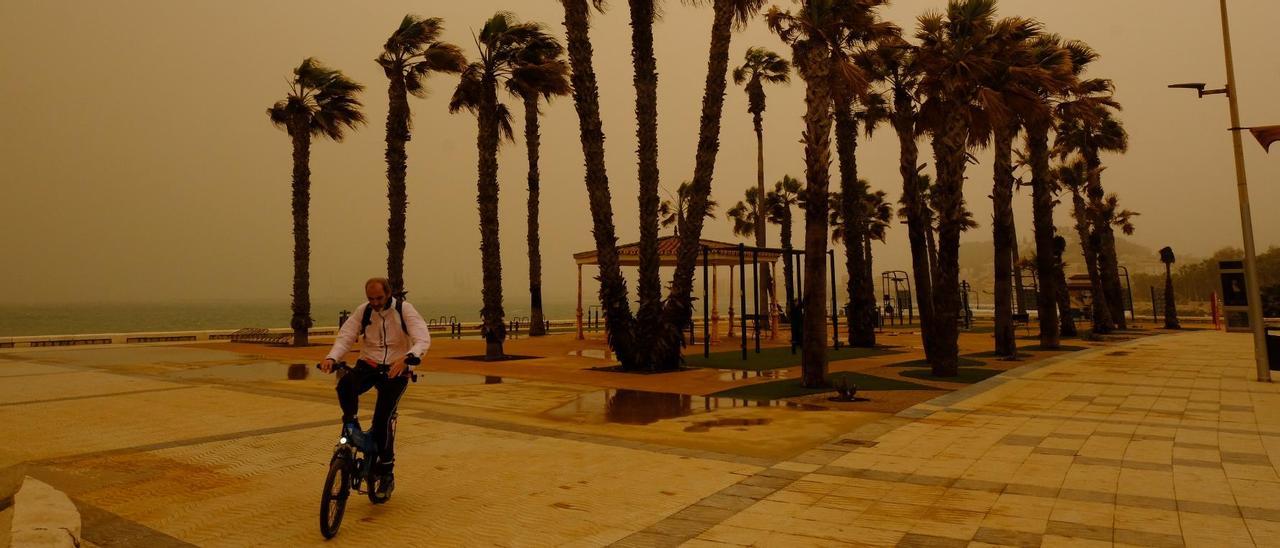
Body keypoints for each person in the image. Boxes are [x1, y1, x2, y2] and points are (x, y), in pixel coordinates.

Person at [321, 277, 430, 497]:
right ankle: (351, 424)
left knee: (382, 420)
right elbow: (346, 336)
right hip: (368, 364)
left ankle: (386, 472)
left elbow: (422, 338)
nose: (375, 303)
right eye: (371, 298)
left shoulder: (404, 310)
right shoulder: (364, 311)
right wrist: (332, 357)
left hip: (396, 369)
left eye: (379, 298)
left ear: (388, 294)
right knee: (345, 384)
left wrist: (408, 358)